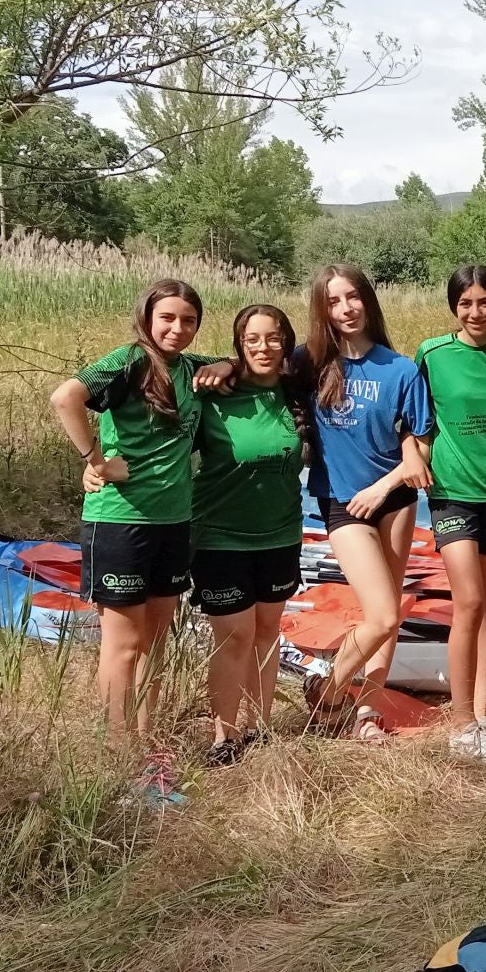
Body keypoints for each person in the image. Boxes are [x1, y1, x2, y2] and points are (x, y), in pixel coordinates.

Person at [49, 279, 206, 804]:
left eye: (187, 320)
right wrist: (93, 459)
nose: (176, 328)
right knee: (124, 644)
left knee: (157, 644)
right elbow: (65, 397)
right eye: (167, 318)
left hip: (173, 522)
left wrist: (227, 366)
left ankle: (150, 755)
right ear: (147, 317)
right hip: (121, 522)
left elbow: (228, 363)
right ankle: (119, 760)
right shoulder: (127, 361)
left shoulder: (187, 369)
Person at [297, 263, 431, 742]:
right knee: (382, 614)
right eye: (333, 301)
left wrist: (384, 485)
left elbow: (422, 442)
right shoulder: (307, 363)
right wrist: (224, 366)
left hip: (392, 498)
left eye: (352, 297)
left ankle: (367, 711)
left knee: (389, 613)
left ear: (367, 300)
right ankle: (329, 692)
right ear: (323, 310)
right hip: (339, 501)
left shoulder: (400, 368)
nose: (345, 308)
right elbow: (255, 368)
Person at [414, 265, 486, 765]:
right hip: (452, 491)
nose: (476, 312)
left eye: (485, 303)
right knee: (470, 602)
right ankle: (460, 723)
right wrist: (411, 452)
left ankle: (482, 714)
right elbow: (414, 416)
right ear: (453, 307)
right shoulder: (433, 354)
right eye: (466, 304)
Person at [190, 302, 308, 766]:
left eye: (273, 337)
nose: (263, 346)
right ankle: (225, 736)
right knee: (234, 635)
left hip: (281, 532)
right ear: (239, 345)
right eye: (252, 339)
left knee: (266, 631)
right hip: (220, 534)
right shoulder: (216, 391)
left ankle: (261, 730)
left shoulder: (297, 390)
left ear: (286, 343)